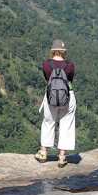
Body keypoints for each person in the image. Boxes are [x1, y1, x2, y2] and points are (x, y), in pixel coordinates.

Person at [35, 39, 76, 168]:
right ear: (64, 52)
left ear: (52, 51)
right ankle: (62, 157)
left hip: (50, 96)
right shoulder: (70, 65)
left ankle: (43, 153)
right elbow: (70, 79)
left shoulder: (46, 65)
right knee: (67, 124)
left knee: (48, 122)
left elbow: (47, 79)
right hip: (68, 96)